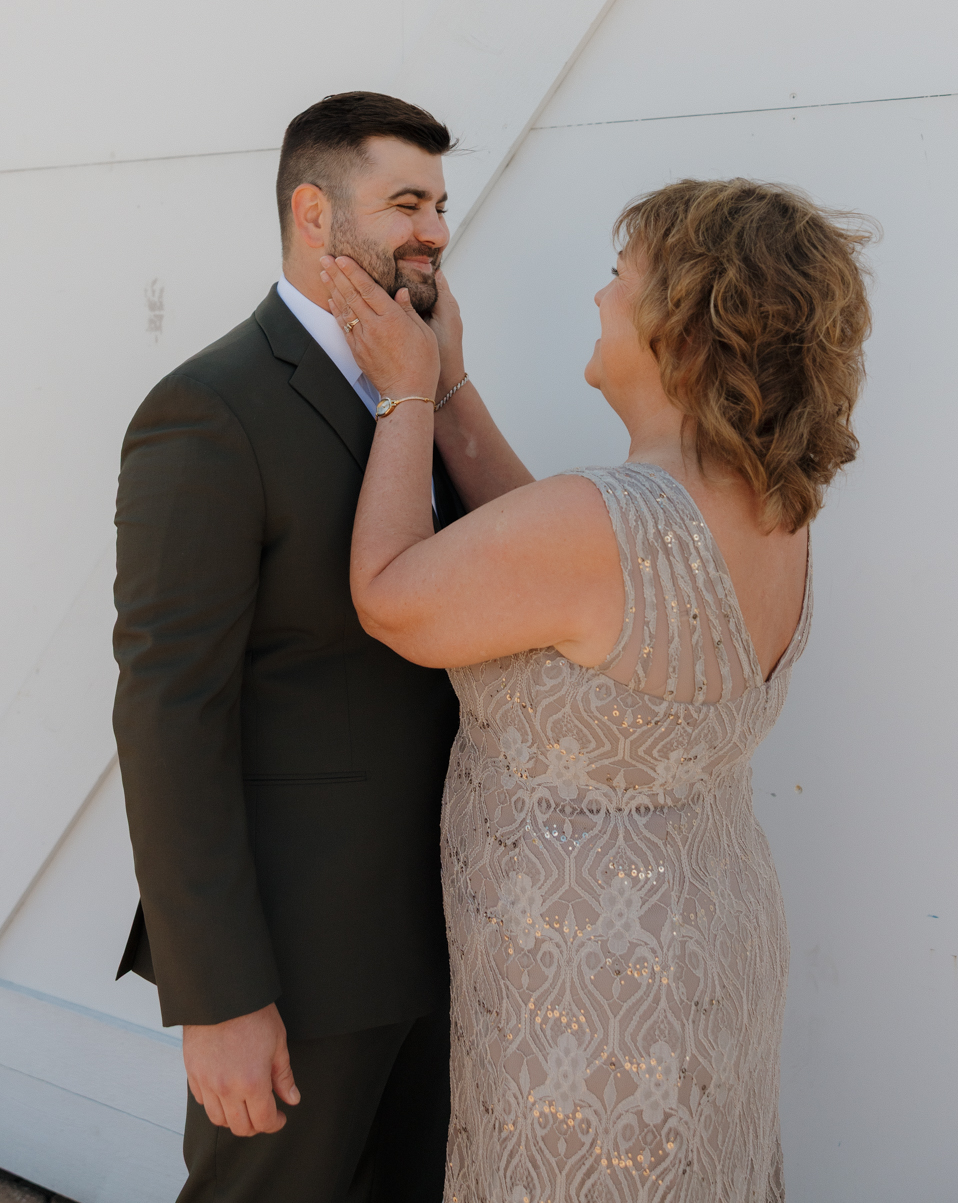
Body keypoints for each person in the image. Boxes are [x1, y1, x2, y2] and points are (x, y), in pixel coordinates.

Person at [322, 177, 874, 1202]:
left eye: (620, 279)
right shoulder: (772, 504)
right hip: (708, 955)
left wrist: (403, 395)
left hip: (590, 1004)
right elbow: (548, 561)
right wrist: (451, 389)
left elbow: (394, 596)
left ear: (687, 329)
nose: (598, 298)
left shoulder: (606, 525)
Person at [112, 92, 467, 1203]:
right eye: (405, 202)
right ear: (314, 216)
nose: (435, 232)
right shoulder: (208, 411)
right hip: (297, 972)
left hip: (448, 945)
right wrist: (216, 996)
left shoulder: (423, 386)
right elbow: (168, 712)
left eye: (442, 206)